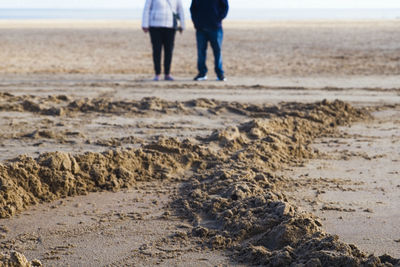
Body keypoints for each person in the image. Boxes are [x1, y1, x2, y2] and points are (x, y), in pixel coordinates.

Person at [142, 0, 185, 81]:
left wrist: (182, 25)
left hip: (170, 26)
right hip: (155, 26)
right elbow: (147, 8)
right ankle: (157, 73)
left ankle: (167, 73)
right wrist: (145, 24)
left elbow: (180, 10)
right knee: (157, 50)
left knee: (169, 50)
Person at [190, 0, 229, 81]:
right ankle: (202, 73)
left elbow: (225, 7)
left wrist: (218, 19)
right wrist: (196, 22)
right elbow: (193, 8)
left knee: (217, 50)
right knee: (201, 51)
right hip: (201, 28)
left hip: (215, 27)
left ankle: (219, 73)